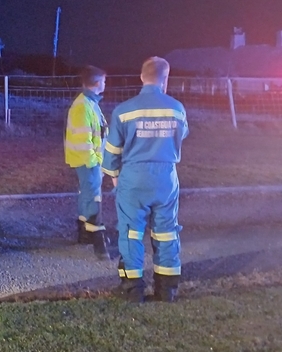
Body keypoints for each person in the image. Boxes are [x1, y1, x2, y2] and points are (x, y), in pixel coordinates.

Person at [102, 57, 189, 303]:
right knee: (166, 233)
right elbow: (182, 134)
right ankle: (166, 289)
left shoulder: (124, 110)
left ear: (142, 77)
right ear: (166, 78)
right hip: (166, 177)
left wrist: (115, 177)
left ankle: (132, 290)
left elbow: (112, 152)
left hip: (133, 177)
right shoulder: (177, 108)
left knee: (131, 233)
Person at [64, 65, 111, 260]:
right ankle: (98, 242)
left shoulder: (89, 103)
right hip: (88, 161)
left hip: (88, 161)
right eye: (104, 81)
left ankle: (84, 234)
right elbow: (84, 141)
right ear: (98, 82)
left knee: (86, 195)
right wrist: (95, 163)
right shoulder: (84, 105)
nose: (105, 84)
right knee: (93, 198)